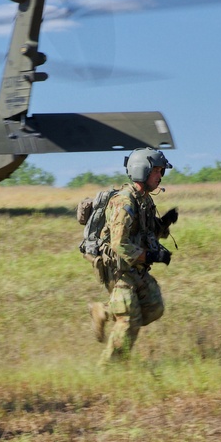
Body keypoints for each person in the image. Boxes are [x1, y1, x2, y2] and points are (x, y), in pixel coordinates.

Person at [89, 147, 179, 365]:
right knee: (129, 319)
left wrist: (163, 223)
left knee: (154, 307)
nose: (160, 176)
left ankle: (104, 311)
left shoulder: (145, 201)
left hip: (135, 268)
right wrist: (151, 256)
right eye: (157, 171)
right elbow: (119, 244)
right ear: (143, 170)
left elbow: (145, 234)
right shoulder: (125, 202)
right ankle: (109, 369)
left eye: (161, 172)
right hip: (118, 270)